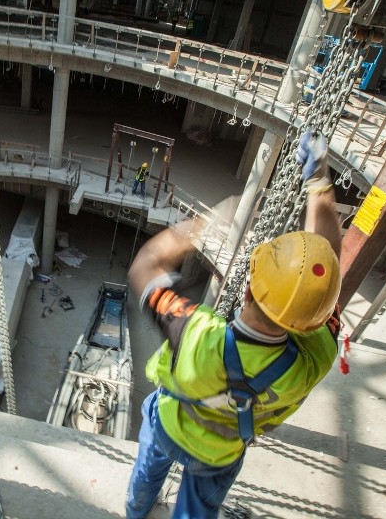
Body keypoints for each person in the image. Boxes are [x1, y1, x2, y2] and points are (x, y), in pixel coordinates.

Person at [125, 130, 343, 519]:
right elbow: (324, 268)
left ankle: (137, 511)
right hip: (221, 453)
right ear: (315, 318)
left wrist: (197, 228)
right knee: (198, 510)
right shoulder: (315, 359)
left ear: (247, 289)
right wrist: (319, 183)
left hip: (170, 428)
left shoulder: (198, 335)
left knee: (147, 472)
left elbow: (145, 267)